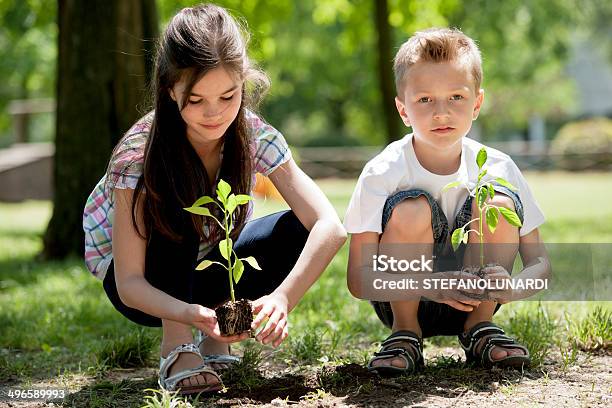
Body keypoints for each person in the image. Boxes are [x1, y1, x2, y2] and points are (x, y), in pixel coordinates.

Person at [82, 4, 346, 394]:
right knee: (181, 202)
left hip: (203, 265)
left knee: (296, 228)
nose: (214, 113)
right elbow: (130, 283)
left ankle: (218, 337)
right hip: (144, 283)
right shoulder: (139, 155)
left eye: (228, 95)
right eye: (196, 99)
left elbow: (330, 226)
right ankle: (178, 346)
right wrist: (187, 314)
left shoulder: (254, 135)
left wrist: (282, 299)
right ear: (171, 89)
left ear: (243, 83)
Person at [344, 28, 550, 375]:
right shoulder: (383, 170)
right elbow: (357, 278)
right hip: (402, 299)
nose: (442, 112)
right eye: (424, 100)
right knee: (411, 208)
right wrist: (429, 285)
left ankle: (479, 329)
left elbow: (540, 263)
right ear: (403, 110)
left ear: (477, 103)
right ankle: (405, 333)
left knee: (497, 202)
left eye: (456, 96)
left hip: (476, 299)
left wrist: (513, 288)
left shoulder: (498, 166)